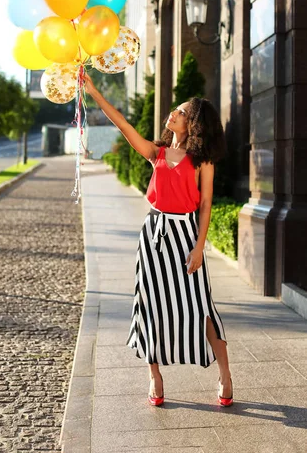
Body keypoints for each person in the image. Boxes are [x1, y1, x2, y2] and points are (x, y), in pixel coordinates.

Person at [84, 74, 233, 407]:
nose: (173, 114)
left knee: (201, 307)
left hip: (184, 236)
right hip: (152, 234)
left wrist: (199, 247)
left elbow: (206, 204)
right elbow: (123, 125)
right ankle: (155, 376)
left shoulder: (202, 160)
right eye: (175, 111)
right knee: (148, 304)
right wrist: (93, 91)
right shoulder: (159, 153)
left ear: (193, 123)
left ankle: (224, 375)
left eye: (181, 113)